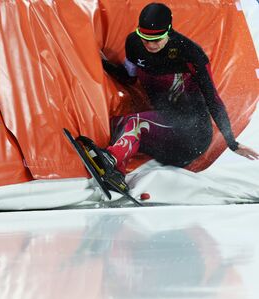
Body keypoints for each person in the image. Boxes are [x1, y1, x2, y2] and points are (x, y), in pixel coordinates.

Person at [99, 2, 258, 178]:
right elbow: (129, 77)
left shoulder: (189, 52)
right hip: (165, 133)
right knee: (116, 126)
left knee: (134, 123)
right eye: (146, 39)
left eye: (157, 40)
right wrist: (102, 63)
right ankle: (116, 173)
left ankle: (111, 159)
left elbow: (212, 98)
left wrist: (232, 143)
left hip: (192, 134)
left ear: (169, 32)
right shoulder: (134, 43)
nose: (150, 46)